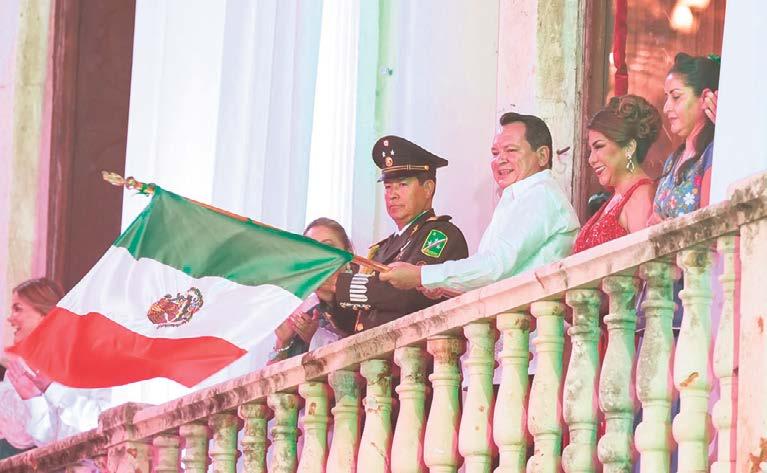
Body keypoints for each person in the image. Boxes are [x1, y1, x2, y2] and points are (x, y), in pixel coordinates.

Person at [381, 113, 579, 293]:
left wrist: (421, 275)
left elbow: (495, 266)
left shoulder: (540, 195)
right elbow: (495, 279)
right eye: (495, 153)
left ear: (542, 156)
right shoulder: (517, 198)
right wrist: (443, 287)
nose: (500, 160)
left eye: (511, 150)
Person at [326, 135, 469, 332]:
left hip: (419, 347)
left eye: (402, 185)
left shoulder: (440, 234)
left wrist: (343, 286)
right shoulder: (380, 249)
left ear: (428, 188)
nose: (392, 195)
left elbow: (411, 292)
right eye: (388, 187)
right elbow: (359, 322)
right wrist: (330, 294)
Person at [3, 278, 112, 448]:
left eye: (18, 309)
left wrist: (51, 389)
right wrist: (32, 398)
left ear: (45, 314)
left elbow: (101, 422)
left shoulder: (90, 357)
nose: (10, 319)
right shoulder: (21, 368)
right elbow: (42, 441)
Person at [572, 95, 662, 253]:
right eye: (590, 150)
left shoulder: (641, 196)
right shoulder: (616, 197)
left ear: (629, 147)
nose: (591, 159)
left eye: (599, 147)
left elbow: (646, 260)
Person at [269, 218, 357, 362]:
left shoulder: (365, 299)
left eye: (328, 247)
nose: (320, 256)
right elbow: (272, 375)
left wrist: (316, 337)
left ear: (348, 253)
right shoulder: (303, 308)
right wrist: (283, 341)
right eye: (311, 250)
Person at [649, 52, 720, 224]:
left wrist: (666, 228)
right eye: (667, 98)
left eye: (676, 97)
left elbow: (711, 226)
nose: (666, 108)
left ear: (705, 98)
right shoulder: (672, 160)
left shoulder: (712, 154)